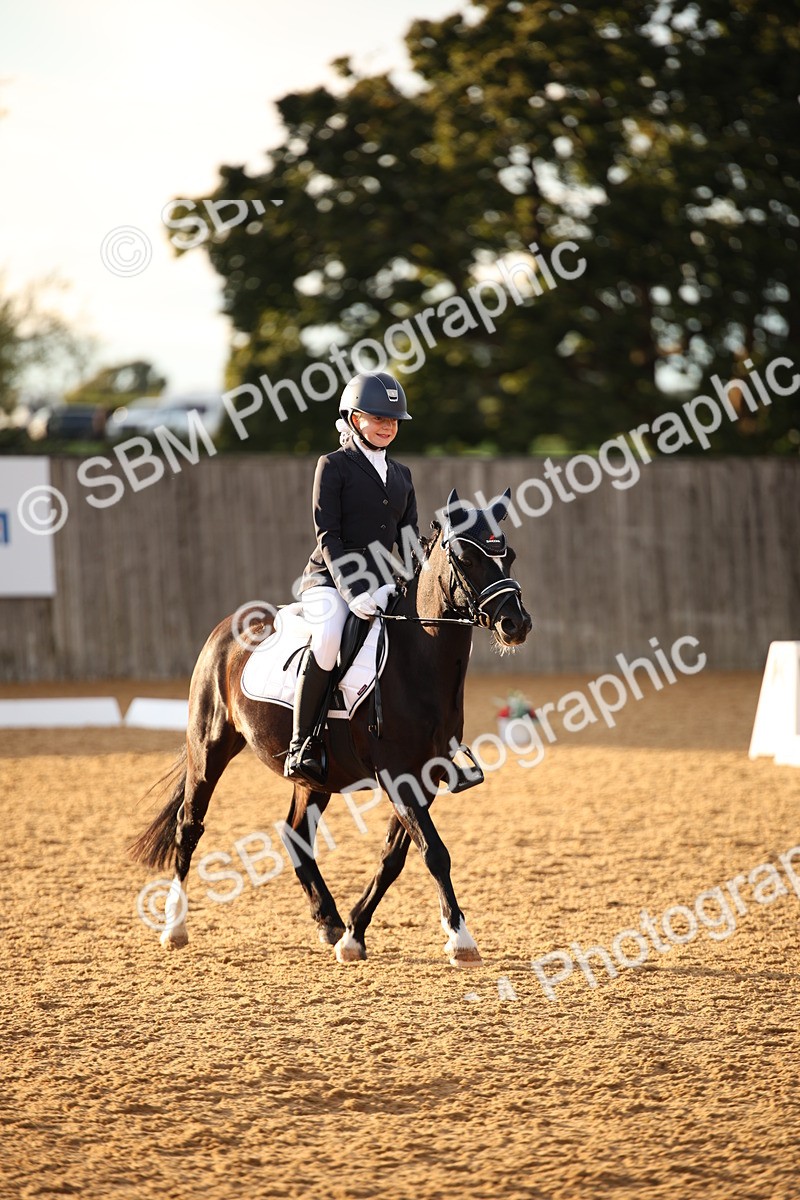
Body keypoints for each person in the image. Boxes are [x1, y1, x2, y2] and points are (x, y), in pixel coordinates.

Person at [284, 370, 419, 784]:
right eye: (378, 418)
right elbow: (329, 534)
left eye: (393, 420)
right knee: (327, 639)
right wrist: (353, 589)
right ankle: (301, 744)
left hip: (382, 583)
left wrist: (410, 583)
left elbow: (409, 538)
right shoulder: (333, 466)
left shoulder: (401, 475)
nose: (387, 426)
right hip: (329, 580)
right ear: (354, 418)